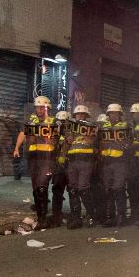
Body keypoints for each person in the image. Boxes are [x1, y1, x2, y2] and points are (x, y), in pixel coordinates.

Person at [13, 96, 58, 228]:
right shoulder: (30, 121)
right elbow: (22, 133)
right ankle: (40, 215)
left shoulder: (53, 122)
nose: (39, 109)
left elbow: (59, 138)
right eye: (37, 107)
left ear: (47, 108)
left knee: (42, 186)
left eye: (41, 107)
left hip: (47, 158)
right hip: (33, 157)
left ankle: (43, 219)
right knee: (36, 187)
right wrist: (16, 148)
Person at [64, 105, 98, 229]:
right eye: (78, 114)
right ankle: (76, 218)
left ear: (86, 116)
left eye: (83, 114)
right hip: (72, 160)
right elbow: (68, 143)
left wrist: (82, 130)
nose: (80, 116)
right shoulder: (70, 129)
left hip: (85, 161)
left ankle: (92, 216)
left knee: (83, 189)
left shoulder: (91, 126)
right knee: (72, 189)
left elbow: (91, 141)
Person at [98, 104, 132, 227]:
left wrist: (125, 145)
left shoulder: (126, 126)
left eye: (116, 113)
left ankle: (121, 216)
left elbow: (130, 141)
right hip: (106, 162)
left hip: (120, 162)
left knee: (119, 189)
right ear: (108, 114)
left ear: (120, 114)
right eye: (112, 113)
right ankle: (110, 217)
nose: (114, 115)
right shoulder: (102, 126)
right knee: (108, 190)